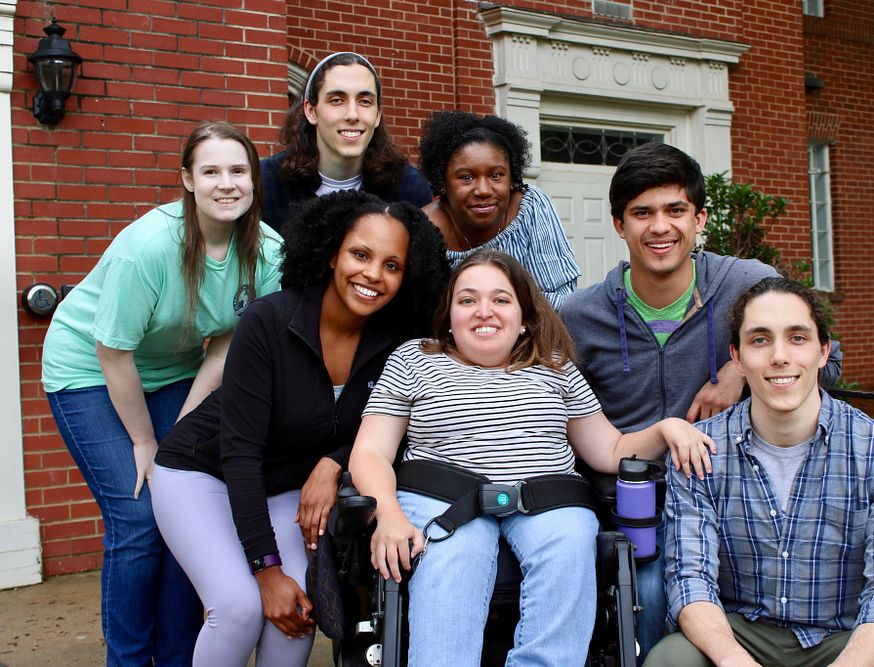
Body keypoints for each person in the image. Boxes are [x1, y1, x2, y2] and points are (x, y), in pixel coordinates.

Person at [348, 250, 715, 666]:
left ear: (524, 317)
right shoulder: (414, 359)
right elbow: (371, 451)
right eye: (467, 300)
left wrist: (666, 428)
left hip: (547, 499)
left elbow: (609, 450)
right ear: (448, 316)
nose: (484, 311)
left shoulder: (556, 369)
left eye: (501, 300)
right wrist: (390, 513)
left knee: (571, 543)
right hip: (441, 498)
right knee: (455, 552)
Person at [559, 141, 844, 658]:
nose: (660, 227)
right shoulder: (580, 317)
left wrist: (739, 370)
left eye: (675, 210)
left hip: (732, 497)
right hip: (629, 506)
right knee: (645, 595)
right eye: (641, 213)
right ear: (620, 225)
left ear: (700, 219)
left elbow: (828, 360)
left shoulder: (747, 285)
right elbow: (556, 415)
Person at [150, 191, 450, 667]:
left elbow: (399, 427)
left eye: (392, 265)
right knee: (238, 608)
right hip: (201, 473)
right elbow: (241, 452)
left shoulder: (399, 343)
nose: (373, 274)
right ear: (332, 253)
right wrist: (266, 569)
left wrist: (333, 463)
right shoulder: (270, 321)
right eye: (360, 254)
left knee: (298, 613)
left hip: (287, 487)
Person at [41, 121, 283, 666]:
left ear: (254, 180)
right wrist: (147, 443)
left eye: (239, 170)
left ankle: (177, 657)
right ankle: (127, 660)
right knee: (138, 517)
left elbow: (226, 343)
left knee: (183, 513)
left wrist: (185, 427)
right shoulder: (148, 247)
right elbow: (112, 352)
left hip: (175, 368)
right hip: (88, 369)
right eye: (211, 171)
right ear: (187, 180)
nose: (227, 184)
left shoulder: (267, 252)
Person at [645, 277, 874, 667]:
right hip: (740, 633)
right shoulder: (702, 449)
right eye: (760, 340)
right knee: (672, 658)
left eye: (797, 338)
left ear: (823, 351)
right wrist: (732, 660)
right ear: (738, 357)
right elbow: (690, 579)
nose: (780, 356)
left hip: (843, 638)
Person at [419, 110, 581, 309]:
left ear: (511, 177)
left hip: (535, 334)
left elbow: (561, 300)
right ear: (442, 182)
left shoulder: (530, 206)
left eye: (496, 175)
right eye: (466, 177)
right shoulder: (423, 229)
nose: (483, 190)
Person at [261, 52, 432, 234]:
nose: (352, 114)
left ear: (377, 115)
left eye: (365, 101)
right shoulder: (266, 183)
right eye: (337, 101)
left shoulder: (410, 189)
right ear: (311, 111)